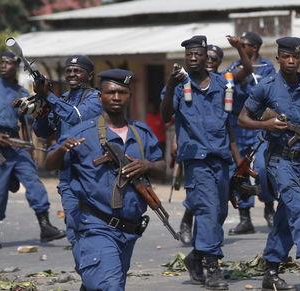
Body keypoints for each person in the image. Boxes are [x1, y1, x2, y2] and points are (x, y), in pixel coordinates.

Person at [45, 68, 165, 290]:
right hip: (95, 227)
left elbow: (162, 167)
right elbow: (49, 164)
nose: (116, 97)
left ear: (129, 96)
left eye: (122, 92)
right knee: (110, 286)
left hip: (129, 230)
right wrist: (61, 150)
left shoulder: (140, 133)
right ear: (100, 96)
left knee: (105, 283)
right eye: (110, 92)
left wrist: (146, 165)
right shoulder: (82, 132)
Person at [238, 37, 300, 291]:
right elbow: (243, 119)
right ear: (278, 58)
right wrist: (265, 125)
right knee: (298, 208)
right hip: (278, 159)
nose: (291, 61)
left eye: (295, 57)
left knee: (286, 215)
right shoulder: (266, 87)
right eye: (286, 56)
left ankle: (270, 270)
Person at [0, 51, 65, 249]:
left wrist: (29, 148)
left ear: (16, 66)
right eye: (1, 62)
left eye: (7, 62)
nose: (3, 65)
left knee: (34, 183)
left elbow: (25, 124)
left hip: (16, 145)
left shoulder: (22, 94)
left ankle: (45, 227)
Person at [161, 35, 231, 290]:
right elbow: (166, 115)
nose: (193, 58)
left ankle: (195, 257)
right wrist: (170, 86)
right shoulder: (180, 86)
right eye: (188, 54)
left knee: (219, 213)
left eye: (197, 54)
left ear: (206, 57)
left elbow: (230, 122)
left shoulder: (222, 84)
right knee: (208, 211)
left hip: (221, 158)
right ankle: (213, 269)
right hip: (196, 159)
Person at [33, 55, 101, 245]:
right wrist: (42, 108)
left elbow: (75, 117)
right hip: (68, 169)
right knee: (72, 220)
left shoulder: (96, 98)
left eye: (77, 71)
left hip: (92, 168)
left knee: (95, 219)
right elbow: (42, 132)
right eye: (69, 71)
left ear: (89, 75)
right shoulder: (61, 99)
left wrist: (49, 96)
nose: (72, 74)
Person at [226, 32, 276, 235]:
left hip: (260, 124)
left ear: (254, 47)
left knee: (264, 167)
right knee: (240, 170)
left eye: (243, 44)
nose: (240, 46)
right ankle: (245, 218)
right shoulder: (232, 68)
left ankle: (269, 208)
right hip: (239, 125)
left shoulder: (268, 68)